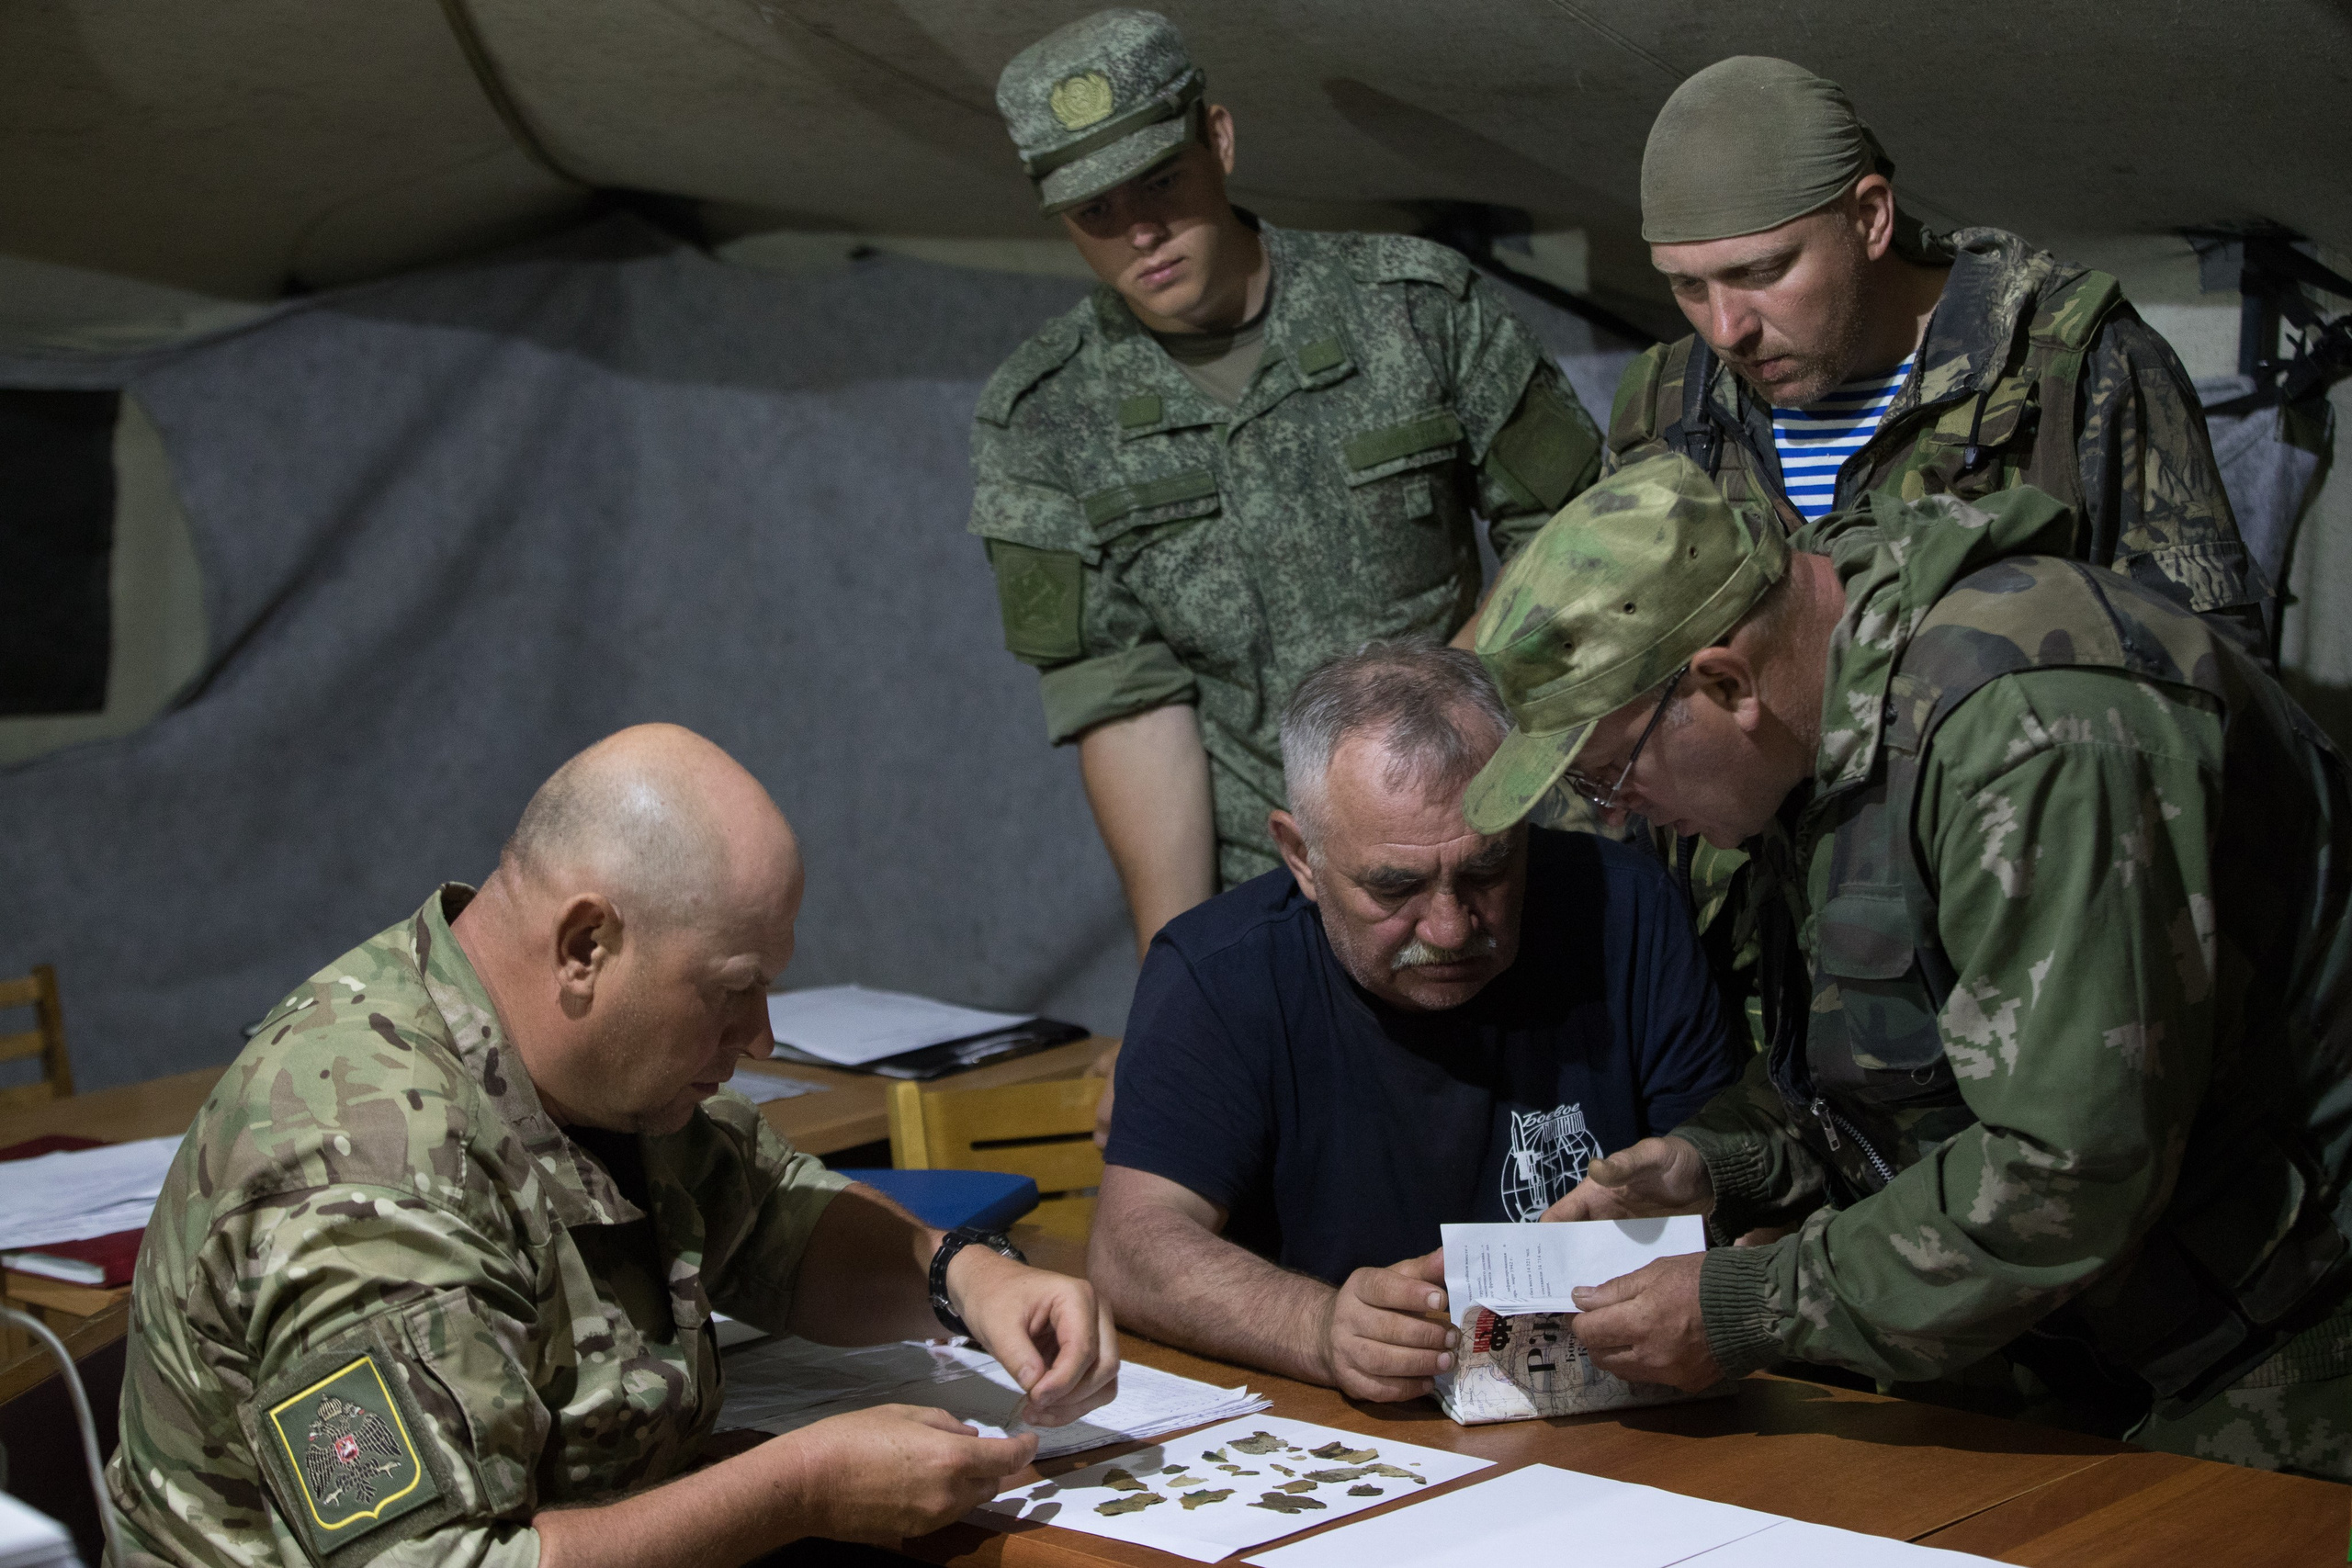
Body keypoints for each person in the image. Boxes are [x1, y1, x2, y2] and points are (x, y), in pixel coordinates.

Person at [1464, 455, 2352, 1478]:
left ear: (1723, 682)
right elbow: (1896, 1051)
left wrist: (1748, 1310)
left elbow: (2072, 1161)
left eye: (1611, 774)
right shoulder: (1830, 709)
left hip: (2283, 1329)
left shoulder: (2031, 729)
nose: (1618, 816)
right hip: (2087, 1321)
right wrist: (1723, 1164)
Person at [107, 726, 1119, 1567]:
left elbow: (768, 1213)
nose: (760, 1037)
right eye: (731, 990)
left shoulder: (582, 1066)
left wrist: (960, 1278)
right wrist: (797, 1487)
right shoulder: (368, 1175)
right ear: (586, 945)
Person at [969, 7, 1606, 962]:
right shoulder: (1044, 418)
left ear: (1217, 140)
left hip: (1488, 836)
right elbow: (1129, 706)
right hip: (1268, 890)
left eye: (1161, 181)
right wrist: (1173, 968)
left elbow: (1576, 540)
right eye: (1094, 212)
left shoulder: (1413, 308)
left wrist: (1431, 754)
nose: (1139, 230)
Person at [1087, 640, 1737, 1404]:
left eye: (1487, 869)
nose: (1452, 926)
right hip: (1353, 1435)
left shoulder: (1624, 910)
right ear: (1301, 855)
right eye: (1396, 887)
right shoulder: (1219, 972)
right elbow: (1132, 1246)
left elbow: (1737, 1179)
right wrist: (1318, 1325)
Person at [1607, 56, 2263, 650]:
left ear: (1870, 219)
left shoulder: (2078, 369)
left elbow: (2212, 684)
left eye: (1762, 272)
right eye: (1687, 285)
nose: (1725, 329)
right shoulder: (1668, 403)